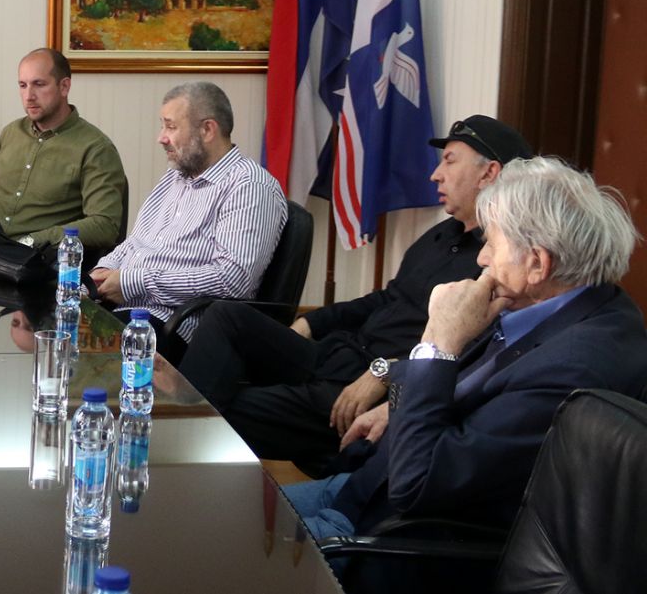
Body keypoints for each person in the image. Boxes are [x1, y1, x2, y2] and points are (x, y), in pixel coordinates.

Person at [286, 158, 647, 562]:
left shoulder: (574, 368)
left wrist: (437, 340)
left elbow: (415, 485)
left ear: (537, 263)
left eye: (491, 243)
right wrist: (395, 405)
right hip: (362, 487)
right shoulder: (562, 302)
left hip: (386, 538)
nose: (481, 259)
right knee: (231, 512)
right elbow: (467, 382)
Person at [180, 115, 533, 470]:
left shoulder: (501, 264)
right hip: (339, 354)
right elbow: (386, 299)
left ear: (488, 173)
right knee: (224, 315)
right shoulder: (440, 236)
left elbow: (473, 354)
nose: (435, 174)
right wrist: (312, 323)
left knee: (221, 412)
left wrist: (388, 373)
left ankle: (172, 450)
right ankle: (174, 435)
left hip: (363, 391)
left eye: (450, 162)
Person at [88, 82, 285, 342]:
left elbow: (232, 279)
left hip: (176, 324)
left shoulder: (248, 186)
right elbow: (137, 242)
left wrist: (134, 282)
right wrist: (99, 276)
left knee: (75, 348)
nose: (161, 138)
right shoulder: (176, 175)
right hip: (127, 307)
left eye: (171, 127)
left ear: (207, 130)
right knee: (52, 328)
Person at [0, 48, 127, 257]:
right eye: (23, 85)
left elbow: (105, 225)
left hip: (37, 261)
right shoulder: (11, 132)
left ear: (64, 86)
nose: (29, 96)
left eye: (39, 84)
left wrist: (33, 241)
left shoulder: (96, 148)